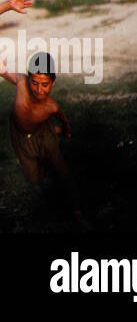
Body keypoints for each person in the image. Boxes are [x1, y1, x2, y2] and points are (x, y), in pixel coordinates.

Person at [2, 52, 86, 226]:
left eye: (45, 85)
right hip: (22, 138)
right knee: (34, 178)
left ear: (53, 83)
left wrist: (66, 129)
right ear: (28, 79)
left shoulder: (52, 107)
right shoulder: (21, 83)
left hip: (44, 133)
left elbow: (63, 119)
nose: (39, 90)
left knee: (61, 169)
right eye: (34, 83)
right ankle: (43, 158)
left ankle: (77, 209)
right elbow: (4, 72)